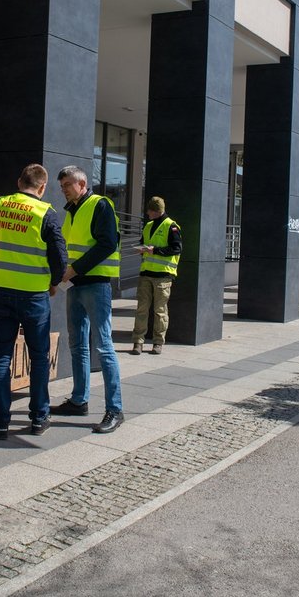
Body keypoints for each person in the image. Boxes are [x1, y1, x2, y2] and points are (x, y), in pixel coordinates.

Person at [0, 164, 67, 440]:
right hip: (34, 295)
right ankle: (39, 417)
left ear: (19, 181)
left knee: (2, 356)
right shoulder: (46, 213)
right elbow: (59, 255)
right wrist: (54, 282)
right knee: (39, 358)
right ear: (42, 187)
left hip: (3, 291)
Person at [54, 165, 124, 434]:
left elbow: (107, 244)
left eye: (67, 185)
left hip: (94, 284)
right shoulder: (72, 211)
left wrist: (73, 270)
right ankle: (79, 400)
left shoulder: (100, 205)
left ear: (82, 183)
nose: (64, 190)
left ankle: (115, 410)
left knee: (104, 347)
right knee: (77, 344)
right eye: (61, 186)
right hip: (74, 284)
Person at [131, 196, 182, 355]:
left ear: (156, 211)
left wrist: (155, 250)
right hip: (146, 273)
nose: (147, 213)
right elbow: (143, 242)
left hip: (163, 275)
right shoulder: (148, 226)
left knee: (160, 311)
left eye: (149, 210)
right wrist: (141, 248)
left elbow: (177, 248)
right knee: (141, 309)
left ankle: (158, 343)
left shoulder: (171, 226)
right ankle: (138, 343)